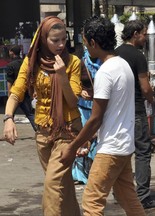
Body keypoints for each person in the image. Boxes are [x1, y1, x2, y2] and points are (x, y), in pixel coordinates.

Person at [60, 16, 146, 216]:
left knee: (92, 201)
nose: (86, 48)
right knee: (128, 199)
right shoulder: (122, 64)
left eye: (85, 42)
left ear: (93, 42)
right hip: (124, 144)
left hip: (112, 148)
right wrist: (88, 140)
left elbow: (96, 119)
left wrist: (73, 147)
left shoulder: (105, 72)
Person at [3, 16, 83, 215]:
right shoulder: (32, 62)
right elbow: (16, 92)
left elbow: (73, 101)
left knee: (52, 184)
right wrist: (8, 118)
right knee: (61, 185)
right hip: (42, 133)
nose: (61, 44)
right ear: (43, 39)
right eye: (55, 40)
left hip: (67, 131)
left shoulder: (72, 62)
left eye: (64, 39)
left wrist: (62, 76)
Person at [115, 20, 155, 209]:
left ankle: (120, 193)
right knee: (143, 152)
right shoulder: (138, 56)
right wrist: (152, 98)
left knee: (121, 152)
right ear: (135, 34)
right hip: (136, 110)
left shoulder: (115, 54)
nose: (144, 38)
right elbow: (144, 86)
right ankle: (142, 196)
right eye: (143, 34)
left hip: (118, 111)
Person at [72, 46, 101, 185]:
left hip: (100, 107)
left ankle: (96, 172)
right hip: (83, 107)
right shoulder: (80, 62)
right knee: (81, 138)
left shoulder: (105, 62)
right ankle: (79, 175)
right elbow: (73, 81)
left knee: (97, 140)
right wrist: (81, 90)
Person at [6, 45, 37, 131]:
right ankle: (38, 130)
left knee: (9, 114)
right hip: (25, 91)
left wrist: (10, 95)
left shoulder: (10, 65)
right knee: (30, 114)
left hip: (15, 93)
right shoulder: (25, 62)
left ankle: (9, 131)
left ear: (12, 52)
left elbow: (9, 81)